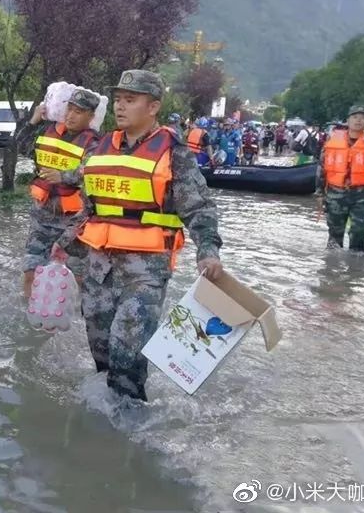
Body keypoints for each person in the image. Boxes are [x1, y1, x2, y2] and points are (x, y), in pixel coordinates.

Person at [52, 70, 222, 403]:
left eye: (130, 100)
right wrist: (62, 244)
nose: (120, 107)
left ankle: (130, 428)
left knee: (126, 352)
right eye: (117, 100)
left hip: (145, 272)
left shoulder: (174, 153)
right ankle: (106, 426)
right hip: (99, 268)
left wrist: (209, 250)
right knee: (101, 351)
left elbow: (199, 207)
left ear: (153, 106)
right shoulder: (101, 148)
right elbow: (90, 208)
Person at [15, 89, 100, 298]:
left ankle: (75, 321)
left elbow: (92, 171)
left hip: (71, 222)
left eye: (78, 112)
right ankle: (31, 318)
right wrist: (33, 121)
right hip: (41, 215)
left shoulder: (95, 143)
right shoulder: (48, 131)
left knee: (76, 276)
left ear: (90, 116)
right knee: (30, 271)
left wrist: (64, 176)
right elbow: (22, 147)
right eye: (69, 109)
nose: (71, 115)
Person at [315, 104, 364, 253]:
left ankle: (357, 270)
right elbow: (322, 168)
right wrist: (320, 193)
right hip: (335, 193)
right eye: (355, 117)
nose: (358, 120)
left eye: (363, 118)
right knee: (335, 232)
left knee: (359, 230)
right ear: (347, 121)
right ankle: (331, 267)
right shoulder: (332, 139)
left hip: (362, 194)